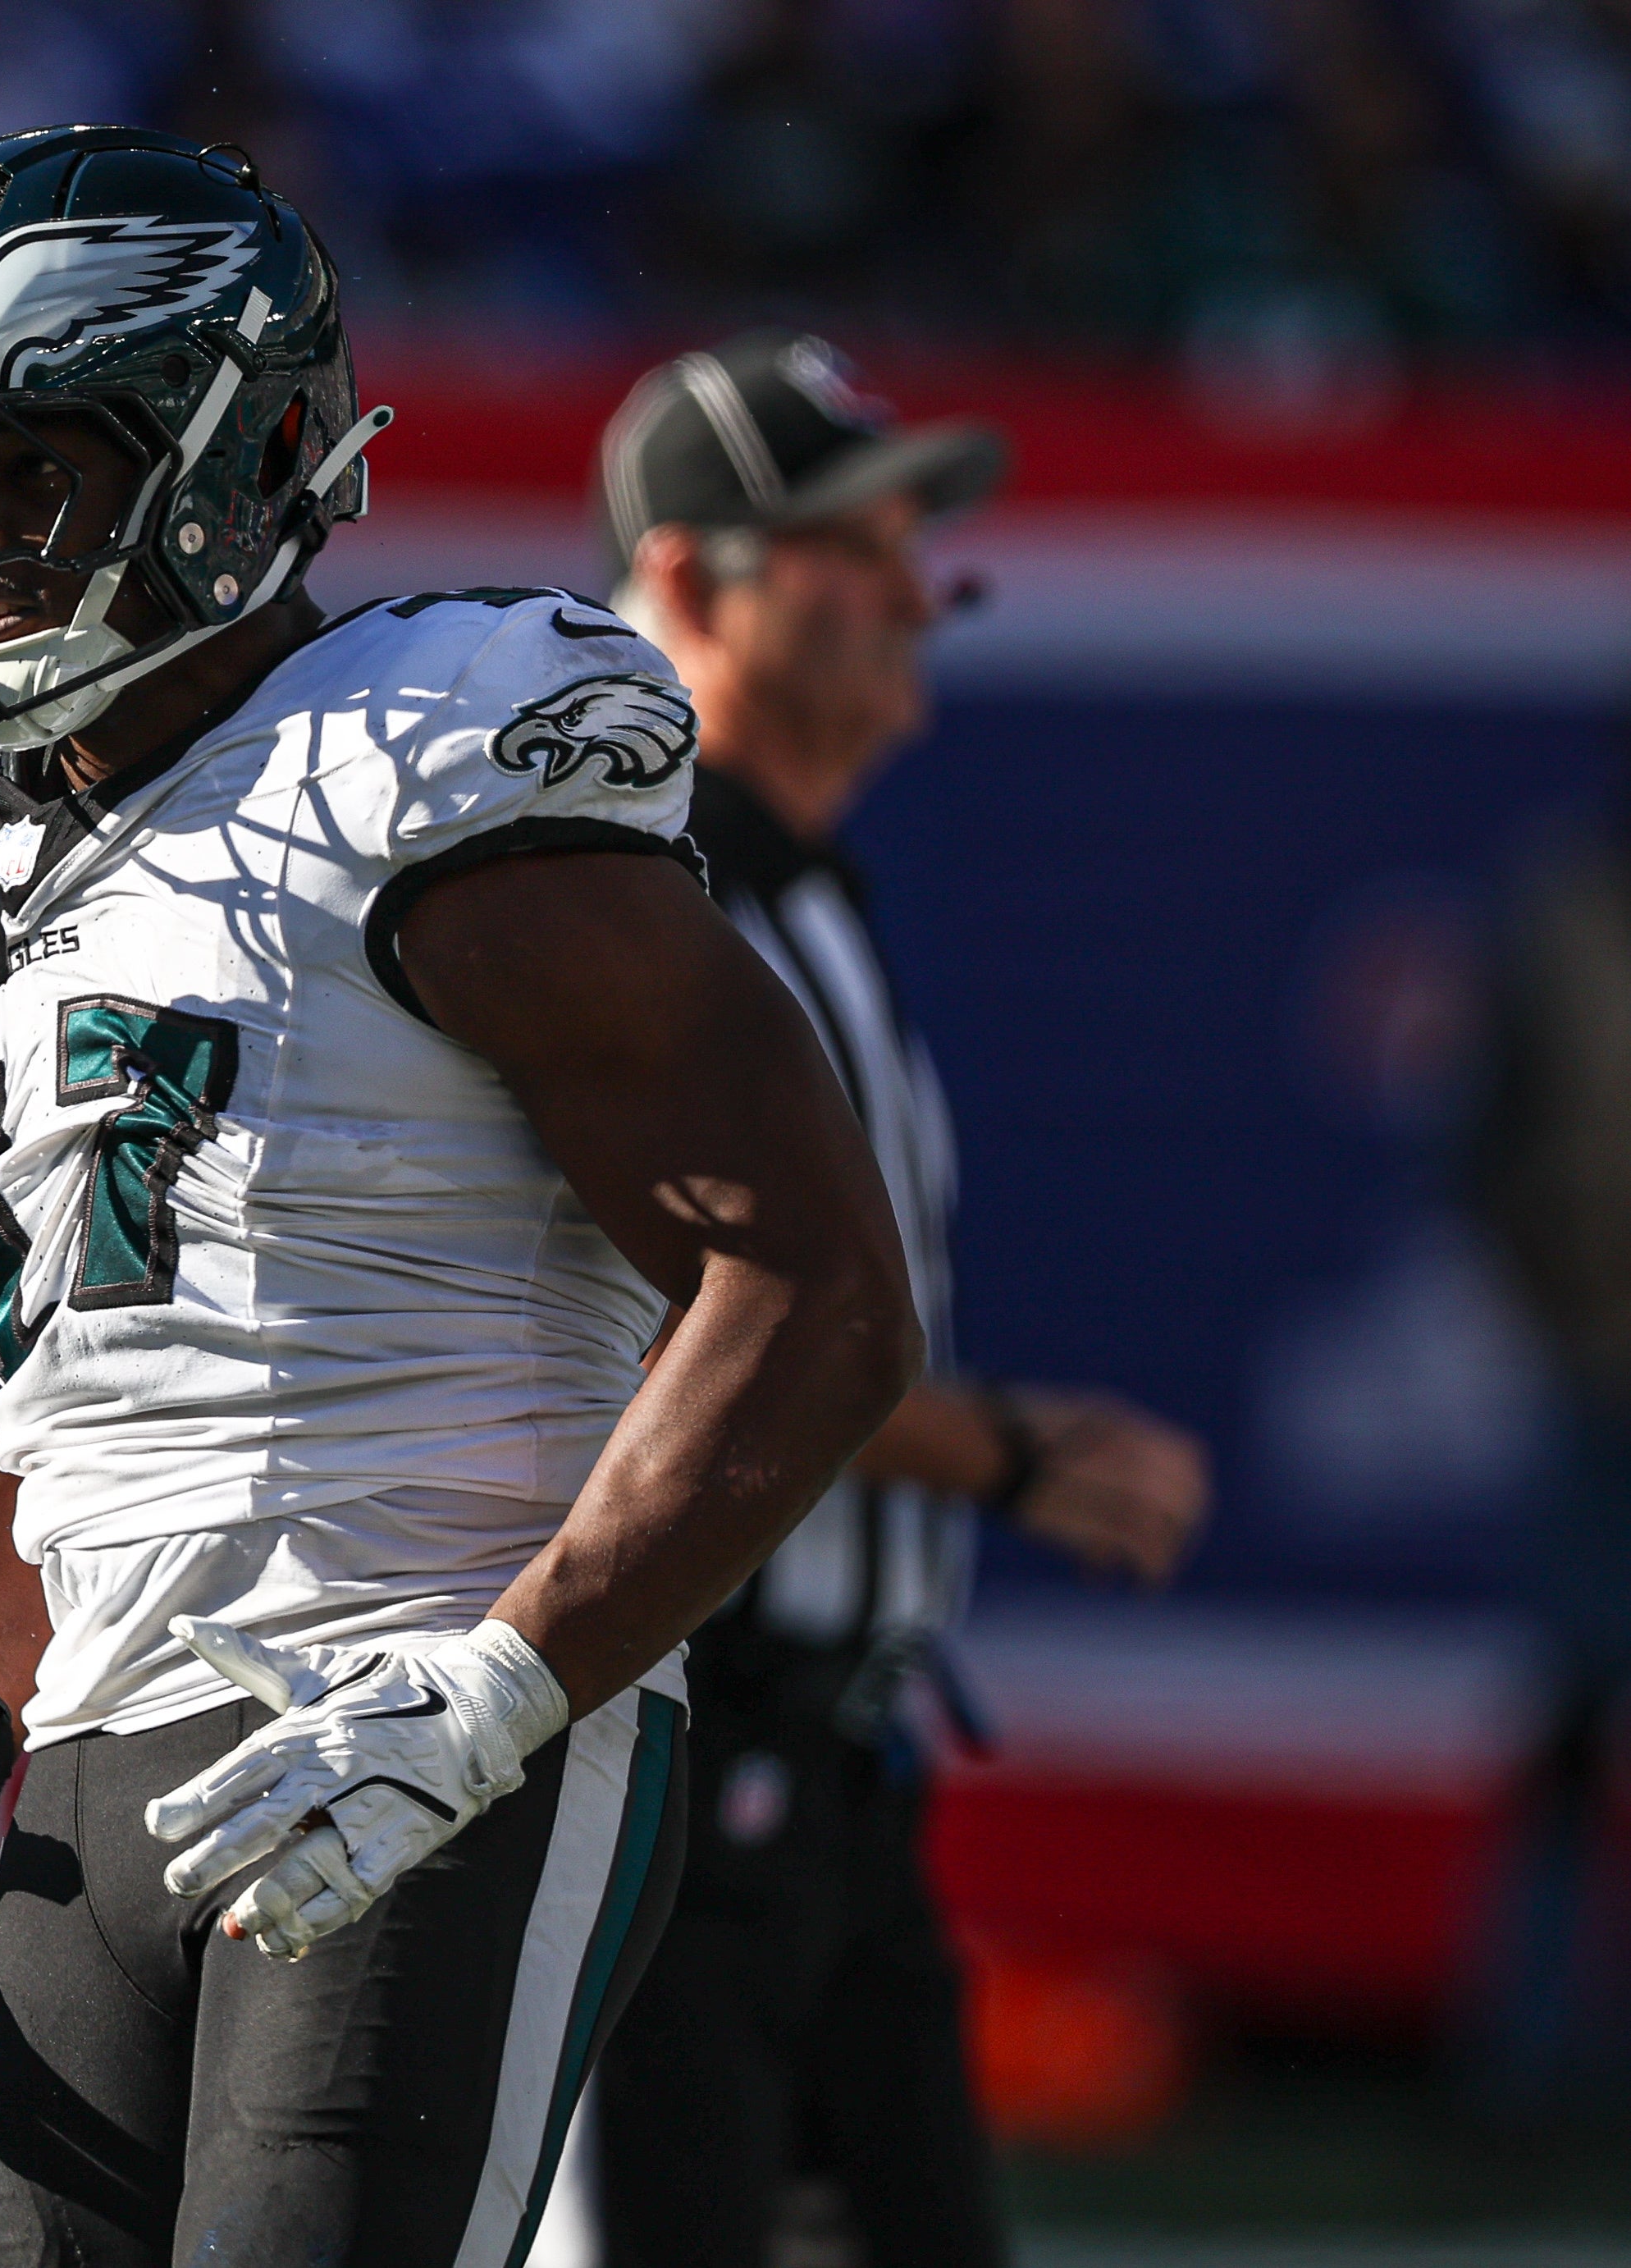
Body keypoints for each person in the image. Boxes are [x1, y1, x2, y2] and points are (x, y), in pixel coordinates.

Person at [0, 126, 925, 2266]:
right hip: (94, 1741)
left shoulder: (429, 769)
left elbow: (811, 1289)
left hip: (428, 1719)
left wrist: (505, 1682)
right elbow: (24, 1328)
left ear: (236, 444)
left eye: (23, 473)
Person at [582, 332, 1213, 2268]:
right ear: (690, 577)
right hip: (670, 1754)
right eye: (851, 545)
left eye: (915, 539)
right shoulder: (633, 886)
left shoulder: (806, 885)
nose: (916, 583)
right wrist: (1001, 1447)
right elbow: (694, 1307)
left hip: (835, 1761)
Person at [1467, 759, 1631, 2119]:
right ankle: (1525, 2052)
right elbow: (1489, 1142)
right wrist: (1558, 1292)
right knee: (1573, 1714)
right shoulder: (1563, 912)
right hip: (1598, 1371)